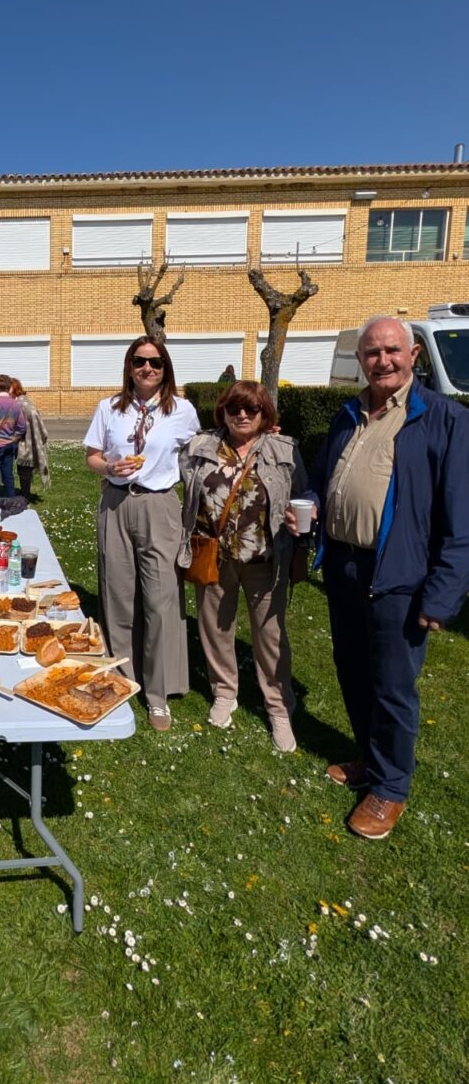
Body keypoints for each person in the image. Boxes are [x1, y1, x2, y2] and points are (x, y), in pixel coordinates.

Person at [288, 315, 469, 839]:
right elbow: (325, 479)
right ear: (361, 360)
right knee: (352, 669)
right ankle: (371, 758)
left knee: (393, 685)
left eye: (392, 351)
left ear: (413, 354)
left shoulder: (444, 420)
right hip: (344, 565)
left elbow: (462, 519)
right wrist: (314, 506)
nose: (382, 361)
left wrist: (443, 594)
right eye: (372, 353)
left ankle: (390, 788)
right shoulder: (349, 414)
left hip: (400, 572)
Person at [179, 381, 305, 751]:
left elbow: (304, 496)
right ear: (223, 411)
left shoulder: (285, 449)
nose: (243, 415)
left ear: (265, 414)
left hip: (266, 558)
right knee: (215, 628)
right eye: (235, 409)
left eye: (252, 409)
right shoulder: (200, 447)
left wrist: (302, 541)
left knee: (270, 637)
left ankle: (279, 707)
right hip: (213, 554)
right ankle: (224, 692)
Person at [84, 336, 200, 731]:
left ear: (166, 368)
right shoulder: (109, 408)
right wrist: (107, 468)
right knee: (117, 597)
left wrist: (260, 431)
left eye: (155, 363)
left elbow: (203, 452)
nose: (147, 369)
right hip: (116, 503)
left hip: (160, 505)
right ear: (129, 366)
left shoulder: (181, 410)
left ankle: (158, 694)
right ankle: (121, 681)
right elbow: (91, 455)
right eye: (139, 361)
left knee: (160, 599)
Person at [8, 377, 50, 498]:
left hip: (27, 441)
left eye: (8, 388)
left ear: (14, 388)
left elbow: (33, 415)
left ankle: (25, 496)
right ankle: (24, 493)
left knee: (24, 469)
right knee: (23, 469)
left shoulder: (22, 403)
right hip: (24, 439)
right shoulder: (20, 401)